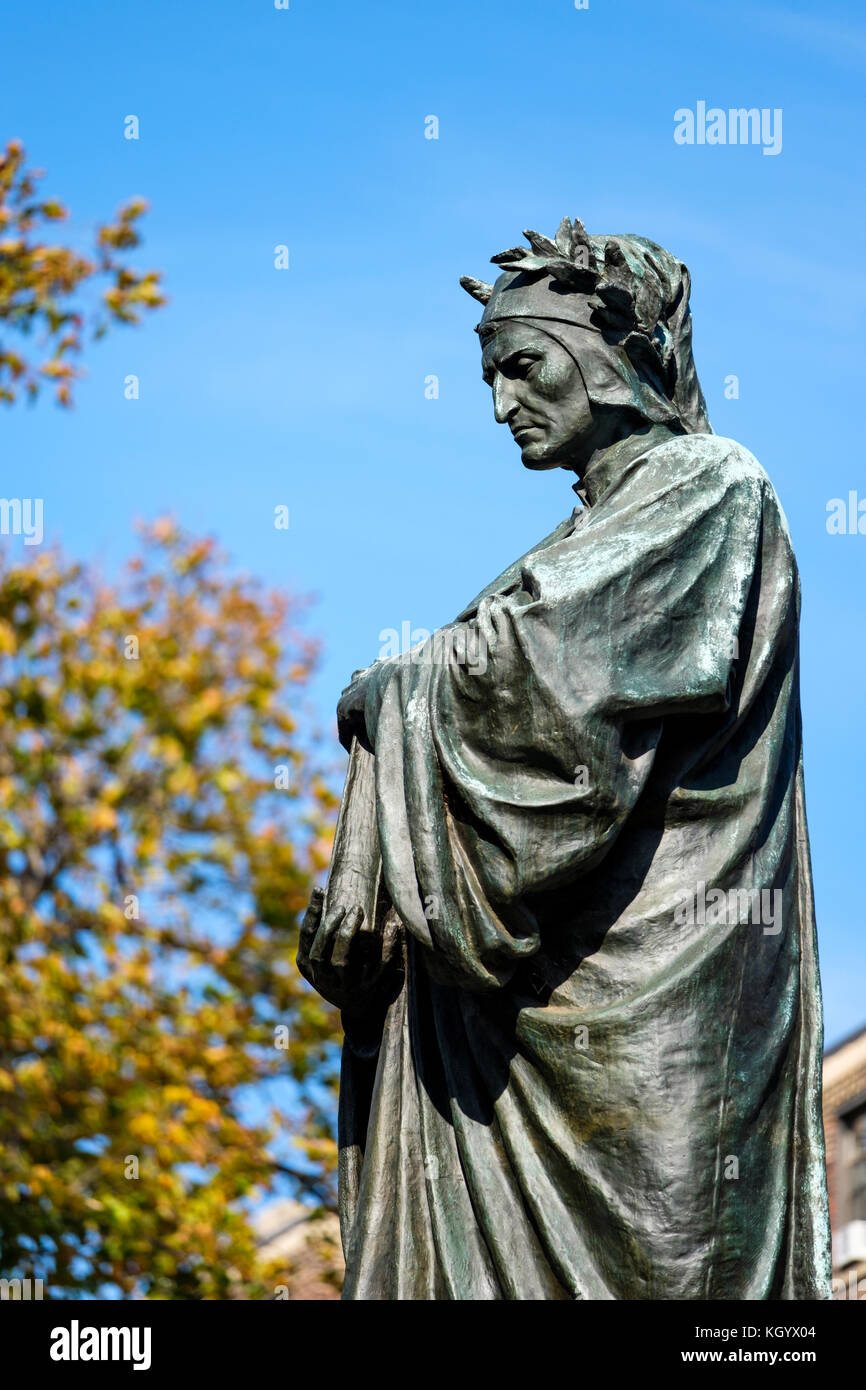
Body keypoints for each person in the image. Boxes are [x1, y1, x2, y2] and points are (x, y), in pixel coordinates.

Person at [298, 218, 831, 1300]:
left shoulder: (707, 485)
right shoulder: (563, 546)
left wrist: (390, 690)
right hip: (509, 1041)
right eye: (489, 378)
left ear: (604, 352)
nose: (501, 406)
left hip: (655, 1003)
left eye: (522, 367)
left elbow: (551, 680)